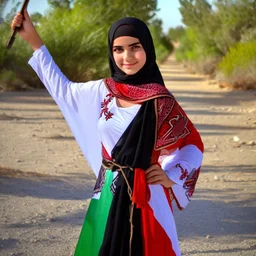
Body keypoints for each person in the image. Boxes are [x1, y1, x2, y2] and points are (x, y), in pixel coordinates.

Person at [11, 10, 204, 256]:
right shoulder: (103, 90)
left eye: (135, 47)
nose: (127, 56)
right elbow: (62, 89)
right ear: (111, 53)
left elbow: (192, 144)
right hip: (108, 191)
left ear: (148, 48)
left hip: (147, 197)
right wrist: (33, 40)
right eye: (118, 49)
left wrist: (171, 174)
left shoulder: (161, 100)